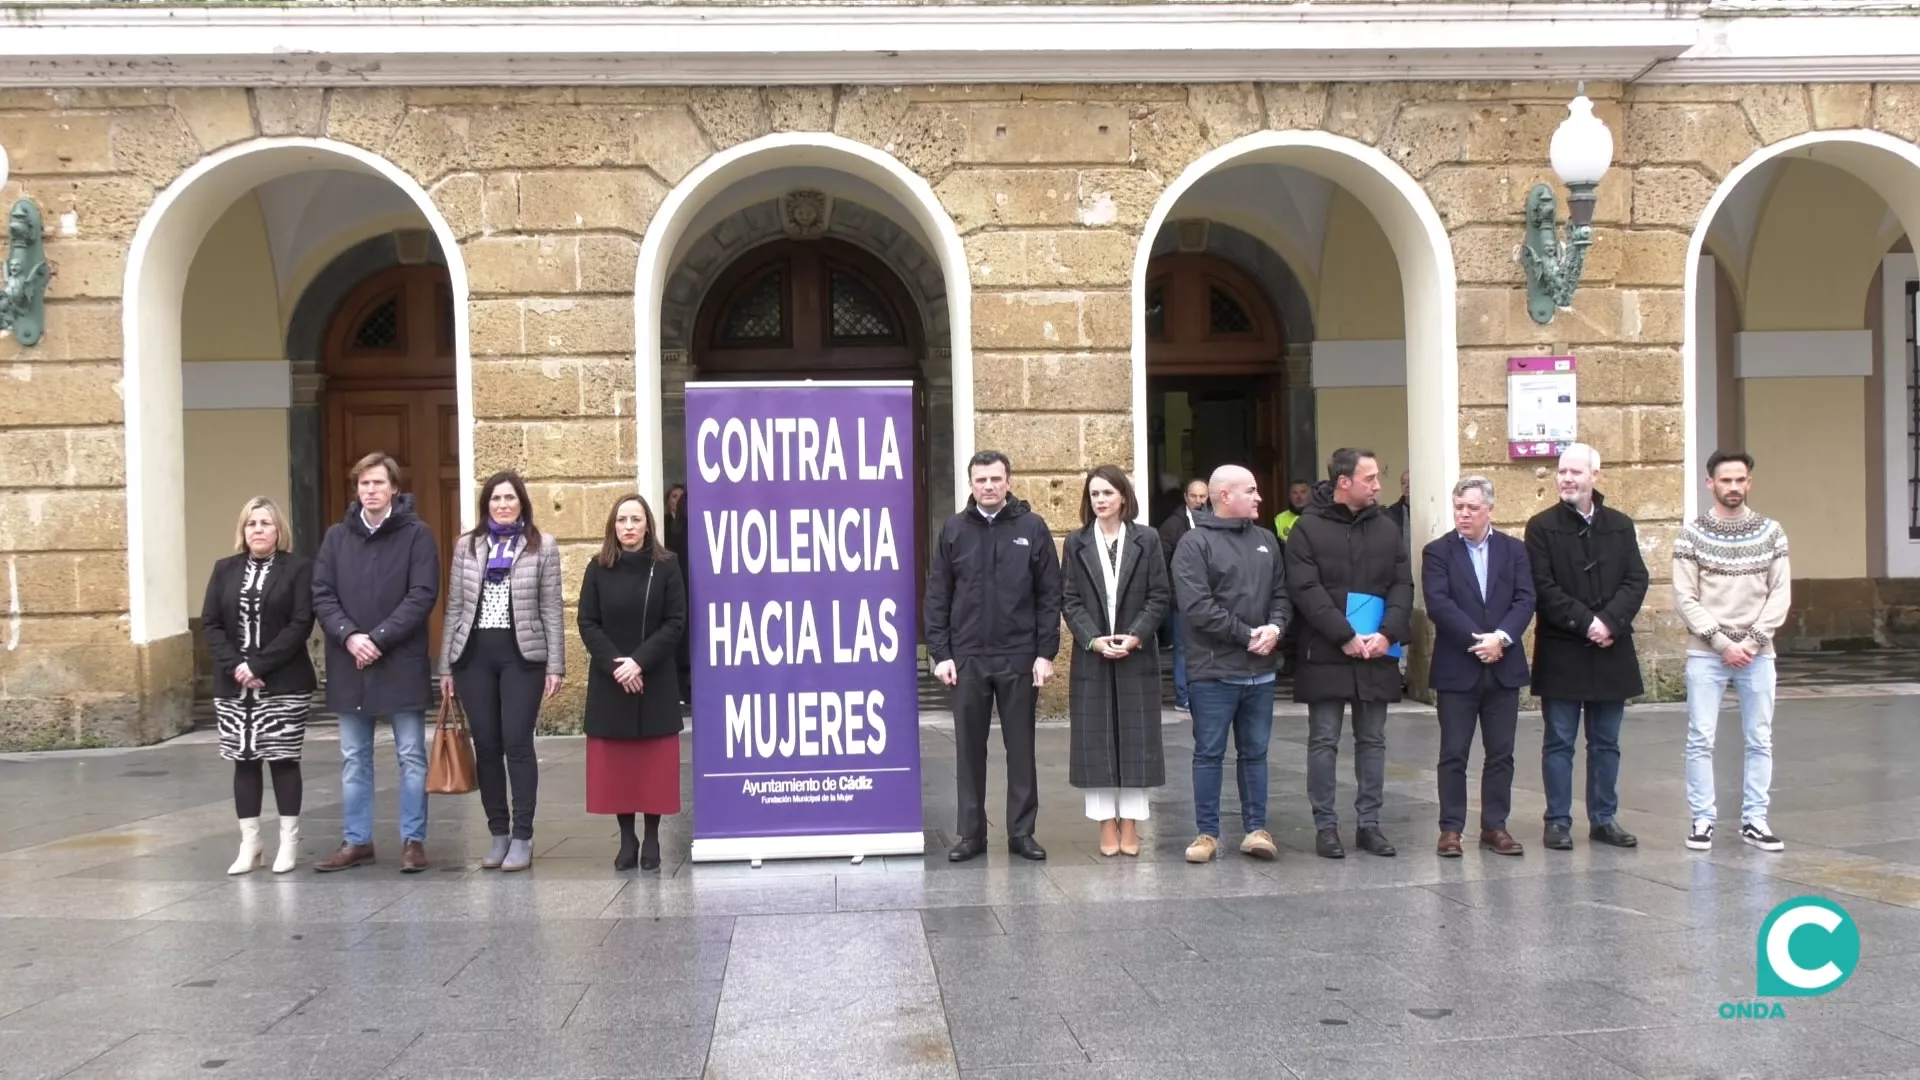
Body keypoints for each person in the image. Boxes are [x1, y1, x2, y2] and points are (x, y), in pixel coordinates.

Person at [926, 450, 1062, 863]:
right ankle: (971, 834)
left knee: (1021, 748)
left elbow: (1048, 596)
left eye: (995, 479)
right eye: (980, 479)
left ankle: (1022, 833)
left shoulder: (1032, 528)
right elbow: (938, 596)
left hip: (1019, 656)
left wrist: (1045, 653)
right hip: (967, 657)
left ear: (1009, 481)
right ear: (971, 483)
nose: (988, 486)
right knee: (969, 750)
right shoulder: (953, 530)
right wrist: (941, 653)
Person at [311, 452, 439, 873]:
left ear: (394, 489)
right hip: (353, 663)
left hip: (399, 659)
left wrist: (379, 638)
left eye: (378, 483)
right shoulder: (336, 537)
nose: (370, 491)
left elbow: (422, 594)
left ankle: (413, 841)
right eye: (364, 484)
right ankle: (357, 840)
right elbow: (322, 594)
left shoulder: (417, 535)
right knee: (354, 756)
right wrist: (351, 637)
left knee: (411, 755)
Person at [1285, 448, 1412, 860]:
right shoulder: (1308, 528)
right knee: (1323, 739)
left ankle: (1369, 824)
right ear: (1344, 482)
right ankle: (1326, 825)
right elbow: (1305, 589)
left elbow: (1401, 584)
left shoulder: (1388, 526)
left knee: (1373, 739)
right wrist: (1343, 634)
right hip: (1326, 650)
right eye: (1370, 478)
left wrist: (1387, 631)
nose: (1378, 485)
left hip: (1376, 649)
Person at [438, 470, 565, 873]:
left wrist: (556, 666)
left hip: (522, 657)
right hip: (473, 656)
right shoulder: (468, 546)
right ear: (486, 505)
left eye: (510, 498)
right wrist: (446, 666)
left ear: (522, 503)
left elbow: (551, 608)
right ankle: (498, 832)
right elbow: (456, 606)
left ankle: (523, 836)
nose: (503, 505)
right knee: (487, 745)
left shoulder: (542, 546)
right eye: (495, 499)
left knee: (517, 743)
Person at [1526, 443, 1648, 852]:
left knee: (1606, 743)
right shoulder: (1541, 527)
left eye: (1576, 472)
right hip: (1564, 648)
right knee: (1559, 741)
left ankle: (1604, 818)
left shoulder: (1620, 524)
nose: (1566, 478)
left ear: (1595, 477)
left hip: (1610, 648)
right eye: (1562, 471)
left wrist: (1610, 622)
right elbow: (1543, 588)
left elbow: (1636, 579)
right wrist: (1587, 622)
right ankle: (1558, 820)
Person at [1171, 465, 1290, 863]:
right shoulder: (1194, 543)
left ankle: (1256, 829)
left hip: (1261, 671)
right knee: (1209, 753)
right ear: (1225, 496)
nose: (1259, 497)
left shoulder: (1267, 541)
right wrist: (1247, 635)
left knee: (1255, 752)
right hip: (1213, 671)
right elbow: (1197, 607)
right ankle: (1207, 834)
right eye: (1251, 490)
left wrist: (1275, 627)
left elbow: (1281, 593)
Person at [1674, 451, 1792, 853]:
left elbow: (1780, 593)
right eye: (1726, 480)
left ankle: (1755, 820)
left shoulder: (1772, 532)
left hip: (1758, 653)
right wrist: (1723, 643)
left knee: (1760, 737)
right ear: (1710, 483)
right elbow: (1685, 597)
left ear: (1749, 482)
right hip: (1707, 653)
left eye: (1740, 480)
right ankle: (1702, 818)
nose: (1733, 487)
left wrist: (1753, 642)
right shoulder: (1691, 535)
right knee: (1700, 738)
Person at [201, 496, 317, 875]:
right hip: (234, 684)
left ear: (278, 529)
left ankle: (289, 842)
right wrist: (238, 666)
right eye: (252, 524)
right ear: (243, 531)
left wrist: (259, 663)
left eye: (266, 523)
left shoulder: (298, 569)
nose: (259, 530)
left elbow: (300, 624)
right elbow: (211, 624)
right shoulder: (224, 570)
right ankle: (250, 844)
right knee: (244, 761)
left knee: (283, 759)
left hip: (283, 680)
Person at [1422, 476, 1535, 858]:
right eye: (1458, 507)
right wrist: (1479, 641)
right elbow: (1439, 605)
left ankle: (1495, 825)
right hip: (1458, 666)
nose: (1464, 514)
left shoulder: (1514, 550)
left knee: (1501, 751)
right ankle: (1451, 828)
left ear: (1489, 508)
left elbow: (1525, 599)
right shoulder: (1437, 552)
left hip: (1503, 665)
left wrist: (1500, 639)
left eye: (1471, 507)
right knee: (1453, 751)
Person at [1063, 466, 1171, 858]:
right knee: (1097, 742)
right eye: (1094, 494)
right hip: (1093, 654)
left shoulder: (1148, 539)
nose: (1100, 500)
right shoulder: (1076, 542)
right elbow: (1069, 600)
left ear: (1123, 496)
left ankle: (1131, 824)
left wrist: (1136, 635)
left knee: (1136, 740)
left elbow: (1159, 595)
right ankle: (1106, 824)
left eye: (1107, 492)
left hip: (1135, 653)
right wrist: (1093, 639)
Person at [579, 493, 686, 872]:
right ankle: (628, 838)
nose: (628, 526)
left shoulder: (667, 566)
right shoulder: (598, 567)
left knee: (652, 766)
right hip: (612, 680)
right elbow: (587, 622)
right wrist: (617, 666)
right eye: (622, 520)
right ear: (613, 525)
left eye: (635, 520)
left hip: (653, 677)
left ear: (647, 525)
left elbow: (675, 622)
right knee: (621, 768)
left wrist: (639, 662)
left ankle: (653, 836)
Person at [1156, 478, 1209, 712]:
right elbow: (1161, 563)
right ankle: (1183, 696)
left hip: (1209, 598)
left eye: (1203, 496)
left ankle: (1201, 693)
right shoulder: (1172, 525)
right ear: (1186, 497)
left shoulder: (1214, 520)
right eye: (1194, 496)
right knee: (1183, 648)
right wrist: (1173, 594)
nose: (1198, 501)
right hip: (1182, 598)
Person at [664, 482, 692, 705]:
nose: (679, 501)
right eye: (675, 497)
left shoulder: (691, 526)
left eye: (682, 497)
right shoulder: (665, 526)